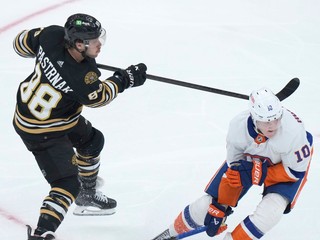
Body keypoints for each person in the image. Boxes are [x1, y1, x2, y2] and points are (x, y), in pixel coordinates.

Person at [12, 13, 147, 240]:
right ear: (78, 43)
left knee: (93, 141)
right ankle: (42, 233)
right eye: (94, 40)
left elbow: (20, 44)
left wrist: (47, 58)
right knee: (66, 183)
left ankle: (87, 194)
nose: (99, 44)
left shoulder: (51, 35)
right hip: (42, 131)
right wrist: (125, 79)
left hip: (53, 115)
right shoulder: (83, 77)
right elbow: (99, 97)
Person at [152, 87, 313, 240]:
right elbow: (234, 169)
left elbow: (295, 172)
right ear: (254, 118)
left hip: (285, 167)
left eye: (276, 120)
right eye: (266, 121)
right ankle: (170, 233)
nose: (272, 126)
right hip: (252, 159)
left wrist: (256, 175)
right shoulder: (238, 127)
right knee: (205, 206)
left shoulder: (293, 132)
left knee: (270, 213)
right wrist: (220, 207)